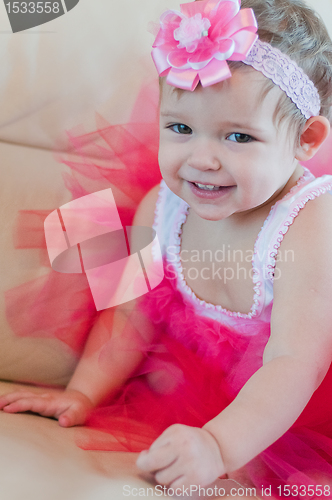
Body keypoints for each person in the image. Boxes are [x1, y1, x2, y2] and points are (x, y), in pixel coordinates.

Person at [2, 0, 332, 495]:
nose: (201, 159)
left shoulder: (309, 226)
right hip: (212, 383)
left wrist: (218, 446)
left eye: (238, 136)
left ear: (306, 139)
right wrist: (83, 392)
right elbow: (131, 310)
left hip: (289, 392)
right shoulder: (165, 206)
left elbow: (294, 363)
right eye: (180, 128)